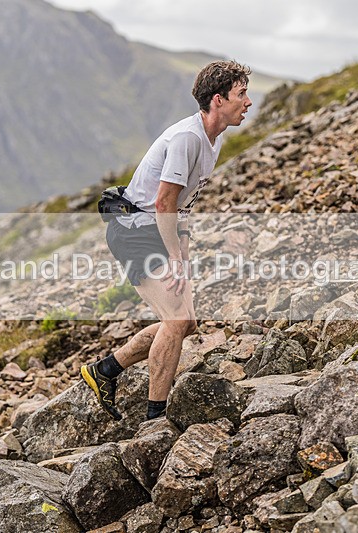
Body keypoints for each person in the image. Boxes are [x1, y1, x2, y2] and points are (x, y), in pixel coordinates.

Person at [81, 60, 252, 421]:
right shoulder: (187, 139)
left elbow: (183, 206)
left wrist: (182, 256)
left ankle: (106, 370)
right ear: (219, 99)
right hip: (135, 232)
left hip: (156, 229)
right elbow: (164, 201)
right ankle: (154, 420)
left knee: (187, 323)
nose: (248, 102)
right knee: (175, 321)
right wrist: (174, 257)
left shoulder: (212, 139)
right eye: (242, 94)